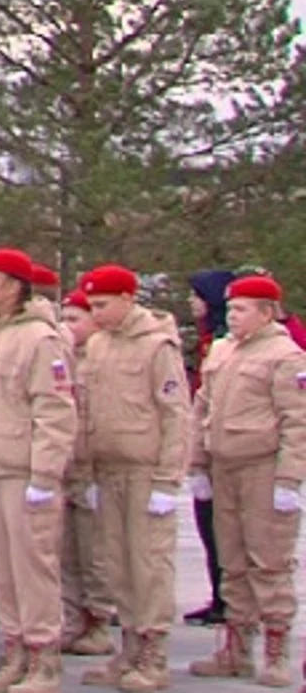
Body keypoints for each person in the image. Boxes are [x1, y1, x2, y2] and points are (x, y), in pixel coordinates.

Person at [0, 250, 78, 693]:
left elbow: (55, 409)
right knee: (1, 568)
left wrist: (45, 476)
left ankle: (43, 656)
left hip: (23, 470)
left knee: (33, 567)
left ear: (14, 285)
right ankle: (15, 651)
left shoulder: (40, 338)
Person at [187, 274, 306, 686]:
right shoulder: (221, 350)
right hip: (225, 467)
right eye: (231, 308)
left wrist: (289, 480)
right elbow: (202, 407)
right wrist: (197, 463)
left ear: (267, 312)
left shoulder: (285, 356)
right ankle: (235, 648)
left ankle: (276, 650)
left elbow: (297, 422)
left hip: (263, 467)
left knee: (268, 561)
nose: (232, 316)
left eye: (241, 309)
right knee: (232, 562)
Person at [76, 264, 190, 692]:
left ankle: (153, 651)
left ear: (128, 298)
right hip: (108, 470)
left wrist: (167, 479)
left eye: (103, 305)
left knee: (148, 564)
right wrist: (86, 469)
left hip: (145, 472)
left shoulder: (157, 346)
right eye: (91, 306)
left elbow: (176, 415)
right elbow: (86, 411)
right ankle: (128, 644)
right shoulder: (99, 344)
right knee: (116, 564)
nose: (96, 313)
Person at [58, 291, 117, 657]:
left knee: (95, 551)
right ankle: (71, 617)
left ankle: (99, 620)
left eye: (75, 319)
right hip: (66, 466)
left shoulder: (102, 359)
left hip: (94, 466)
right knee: (66, 552)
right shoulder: (63, 358)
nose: (68, 326)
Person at [183, 269, 236, 628]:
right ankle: (220, 596)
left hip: (236, 450)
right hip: (207, 446)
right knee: (209, 527)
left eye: (197, 295)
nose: (191, 302)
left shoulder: (226, 341)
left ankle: (233, 602)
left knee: (229, 532)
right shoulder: (209, 340)